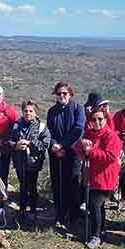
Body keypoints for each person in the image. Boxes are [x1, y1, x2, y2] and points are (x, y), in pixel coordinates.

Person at [74, 106, 122, 249]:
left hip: (104, 178)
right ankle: (101, 230)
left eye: (100, 119)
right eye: (94, 120)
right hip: (90, 176)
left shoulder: (111, 136)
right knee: (96, 206)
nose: (97, 122)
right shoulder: (89, 133)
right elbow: (78, 148)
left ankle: (96, 235)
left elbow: (110, 156)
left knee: (95, 205)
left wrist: (91, 151)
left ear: (106, 119)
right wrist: (83, 148)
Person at [47, 81, 85, 229]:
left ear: (70, 94)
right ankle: (60, 214)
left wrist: (62, 144)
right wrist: (55, 146)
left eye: (65, 93)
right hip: (56, 152)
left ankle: (74, 216)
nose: (62, 95)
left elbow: (78, 129)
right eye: (59, 93)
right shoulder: (52, 111)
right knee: (58, 184)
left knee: (73, 184)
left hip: (73, 152)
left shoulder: (77, 108)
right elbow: (50, 131)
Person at [6, 100, 51, 222]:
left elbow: (45, 144)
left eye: (31, 111)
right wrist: (16, 145)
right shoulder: (16, 125)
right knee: (23, 185)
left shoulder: (41, 127)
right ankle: (22, 210)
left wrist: (30, 143)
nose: (28, 113)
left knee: (32, 186)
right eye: (26, 111)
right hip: (19, 161)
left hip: (33, 162)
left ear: (35, 113)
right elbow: (9, 141)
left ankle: (33, 211)